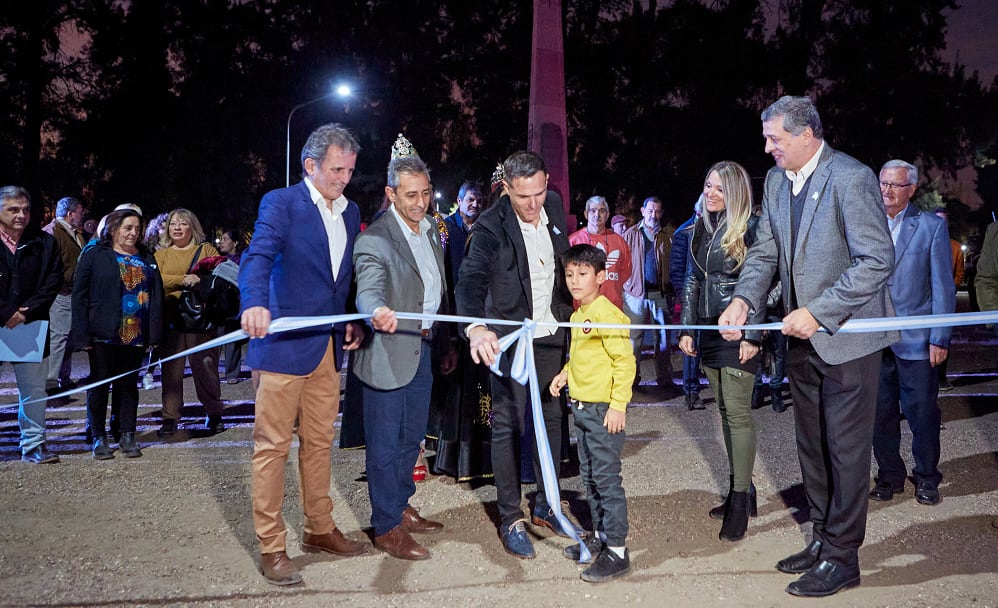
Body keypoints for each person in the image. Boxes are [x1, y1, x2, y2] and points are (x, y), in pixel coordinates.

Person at [718, 96, 897, 598]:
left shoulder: (850, 177)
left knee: (845, 450)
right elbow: (766, 251)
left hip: (847, 341)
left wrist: (819, 311)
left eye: (775, 137)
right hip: (801, 341)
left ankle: (844, 557)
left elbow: (876, 259)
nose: (767, 146)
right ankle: (821, 538)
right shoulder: (776, 181)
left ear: (807, 135)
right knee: (813, 449)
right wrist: (744, 301)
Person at [240, 123, 369, 586]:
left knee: (319, 444)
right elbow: (257, 256)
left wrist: (350, 316)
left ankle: (319, 528)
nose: (344, 179)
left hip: (327, 348)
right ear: (310, 165)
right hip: (281, 348)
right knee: (272, 448)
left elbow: (340, 279)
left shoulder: (351, 212)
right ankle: (272, 547)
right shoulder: (282, 203)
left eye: (350, 170)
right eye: (337, 169)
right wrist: (254, 301)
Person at [456, 150, 583, 559]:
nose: (533, 205)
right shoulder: (491, 226)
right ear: (506, 188)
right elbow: (470, 281)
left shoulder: (556, 204)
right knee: (508, 427)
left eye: (539, 193)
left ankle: (547, 503)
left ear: (547, 182)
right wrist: (476, 328)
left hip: (551, 335)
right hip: (509, 342)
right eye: (522, 196)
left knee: (551, 422)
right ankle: (510, 515)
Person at [352, 137, 449, 560]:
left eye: (426, 192)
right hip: (389, 352)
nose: (421, 202)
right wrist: (375, 311)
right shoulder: (376, 238)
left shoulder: (431, 231)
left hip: (424, 348)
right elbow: (368, 288)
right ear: (391, 193)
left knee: (411, 440)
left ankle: (401, 504)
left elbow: (435, 288)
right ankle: (386, 526)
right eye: (411, 195)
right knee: (386, 444)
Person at [678, 162, 763, 542]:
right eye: (708, 185)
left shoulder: (752, 228)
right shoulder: (701, 227)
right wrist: (688, 328)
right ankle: (742, 489)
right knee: (726, 412)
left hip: (739, 329)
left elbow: (768, 282)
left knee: (739, 415)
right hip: (711, 331)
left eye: (720, 189)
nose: (711, 194)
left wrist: (753, 333)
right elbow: (693, 279)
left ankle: (741, 500)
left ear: (737, 193)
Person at [869, 159, 955, 508]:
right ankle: (890, 475)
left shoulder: (931, 227)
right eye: (883, 183)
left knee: (921, 411)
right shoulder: (865, 223)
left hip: (917, 340)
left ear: (911, 190)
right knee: (879, 412)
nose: (887, 190)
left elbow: (943, 287)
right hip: (874, 339)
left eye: (895, 185)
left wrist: (940, 336)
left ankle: (926, 477)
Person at [549, 244, 635, 583]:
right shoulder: (577, 315)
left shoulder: (607, 314)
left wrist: (617, 405)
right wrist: (565, 373)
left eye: (583, 274)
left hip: (602, 411)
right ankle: (600, 535)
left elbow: (624, 363)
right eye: (570, 274)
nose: (574, 281)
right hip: (581, 410)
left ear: (600, 276)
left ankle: (617, 551)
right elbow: (582, 356)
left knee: (607, 480)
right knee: (589, 477)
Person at [73, 208, 164, 459]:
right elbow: (79, 295)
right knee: (100, 384)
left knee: (127, 386)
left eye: (137, 228)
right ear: (113, 229)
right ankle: (99, 436)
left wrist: (154, 334)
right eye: (128, 228)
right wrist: (82, 335)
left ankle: (127, 434)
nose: (133, 233)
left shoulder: (147, 257)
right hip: (103, 332)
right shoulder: (95, 255)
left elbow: (157, 296)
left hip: (135, 334)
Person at [429, 179, 494, 482]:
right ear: (458, 200)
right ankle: (449, 459)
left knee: (480, 389)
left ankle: (480, 459)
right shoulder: (445, 229)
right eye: (469, 199)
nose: (475, 204)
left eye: (478, 200)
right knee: (453, 391)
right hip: (452, 317)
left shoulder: (486, 230)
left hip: (481, 319)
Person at [0, 186, 64, 463]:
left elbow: (53, 281)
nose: (21, 215)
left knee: (34, 390)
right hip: (3, 321)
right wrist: (4, 313)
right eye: (13, 209)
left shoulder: (44, 242)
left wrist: (25, 312)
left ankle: (34, 444)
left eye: (25, 209)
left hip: (30, 324)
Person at [154, 208, 225, 437]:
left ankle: (214, 412)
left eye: (183, 223)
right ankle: (170, 417)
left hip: (201, 321)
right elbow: (157, 281)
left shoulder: (206, 250)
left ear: (192, 227)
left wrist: (201, 280)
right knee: (171, 372)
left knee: (205, 367)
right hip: (172, 319)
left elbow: (220, 276)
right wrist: (183, 280)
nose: (177, 227)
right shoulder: (161, 255)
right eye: (173, 223)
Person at [622, 196, 679, 395]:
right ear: (643, 211)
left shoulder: (669, 235)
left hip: (660, 293)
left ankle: (664, 377)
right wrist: (625, 285)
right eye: (650, 210)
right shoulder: (630, 234)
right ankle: (631, 378)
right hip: (635, 293)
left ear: (661, 213)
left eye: (657, 211)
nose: (653, 215)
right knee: (633, 339)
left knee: (662, 339)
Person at [42, 196, 86, 394]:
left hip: (73, 293)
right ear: (70, 213)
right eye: (80, 211)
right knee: (59, 337)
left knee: (68, 338)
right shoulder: (52, 232)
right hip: (61, 293)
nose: (82, 214)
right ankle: (50, 382)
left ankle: (63, 377)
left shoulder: (74, 233)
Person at [670, 196, 705, 410]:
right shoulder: (683, 232)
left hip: (711, 297)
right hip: (691, 297)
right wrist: (684, 296)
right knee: (690, 344)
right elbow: (677, 268)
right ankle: (691, 391)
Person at [568, 195, 632, 310]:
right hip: (582, 309)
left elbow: (626, 271)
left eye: (601, 211)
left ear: (607, 215)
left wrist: (611, 285)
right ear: (586, 214)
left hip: (612, 308)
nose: (597, 215)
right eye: (593, 211)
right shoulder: (573, 241)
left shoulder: (619, 242)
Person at [933, 208, 963, 391]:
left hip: (945, 302)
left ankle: (941, 377)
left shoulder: (955, 247)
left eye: (943, 221)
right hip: (925, 301)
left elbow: (959, 273)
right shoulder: (923, 242)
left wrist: (949, 289)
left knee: (943, 338)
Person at [216, 227, 247, 384]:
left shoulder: (243, 259)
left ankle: (232, 373)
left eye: (225, 239)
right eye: (220, 239)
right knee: (216, 338)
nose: (221, 242)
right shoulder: (218, 260)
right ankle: (212, 372)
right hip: (221, 304)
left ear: (235, 243)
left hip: (237, 304)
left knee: (233, 339)